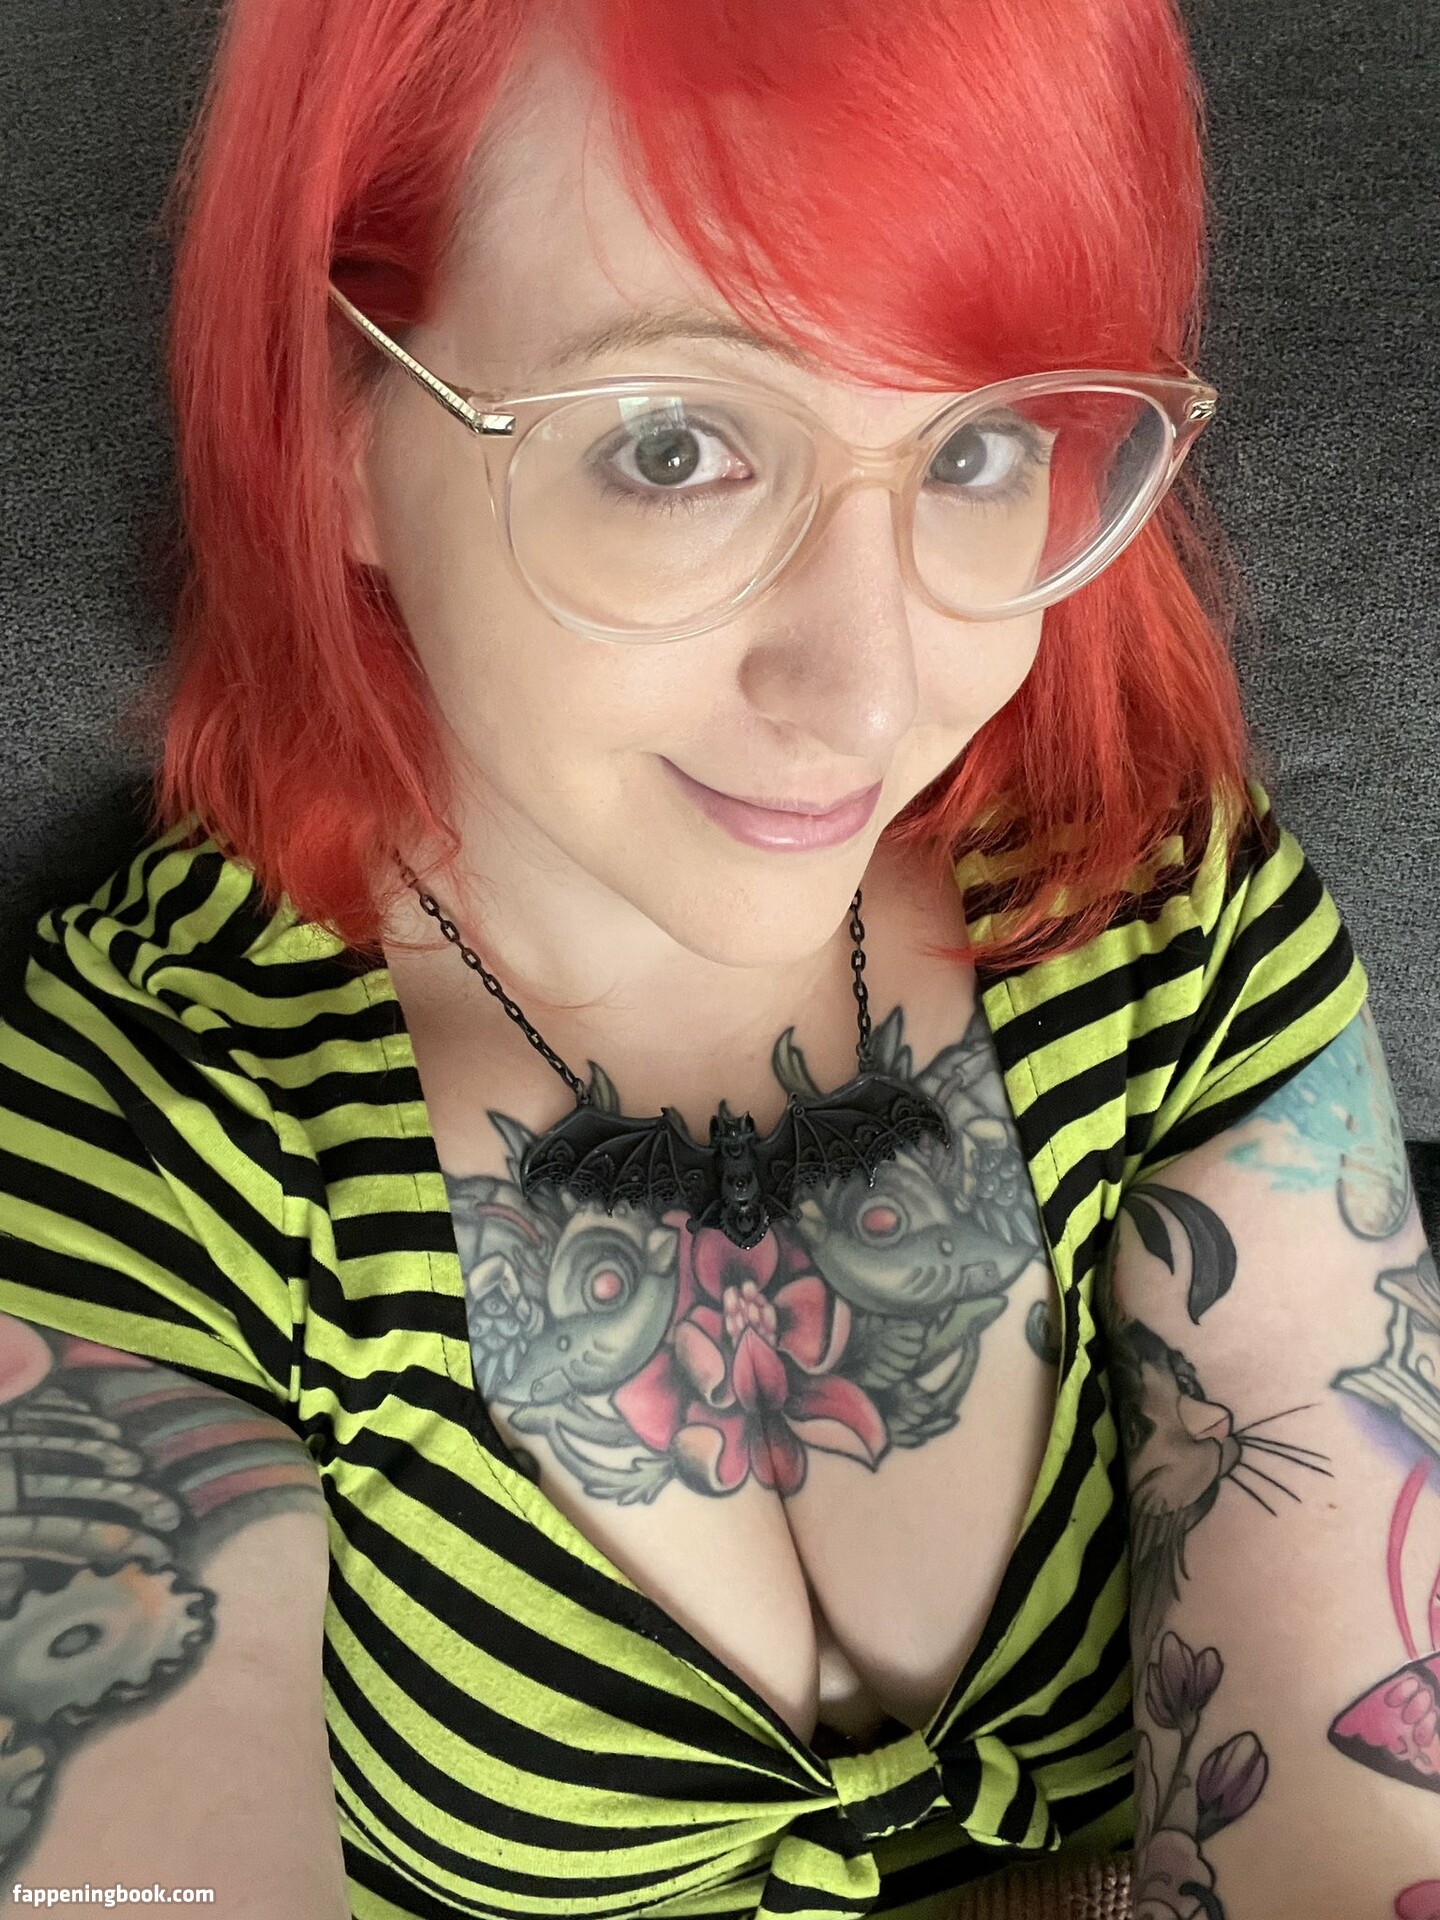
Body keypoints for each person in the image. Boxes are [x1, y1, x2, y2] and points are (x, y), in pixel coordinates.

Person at [0, 1, 1433, 1916]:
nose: (870, 690)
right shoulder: (158, 1125)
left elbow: (1365, 1769)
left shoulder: (1160, 917)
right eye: (672, 445)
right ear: (338, 426)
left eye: (983, 443)